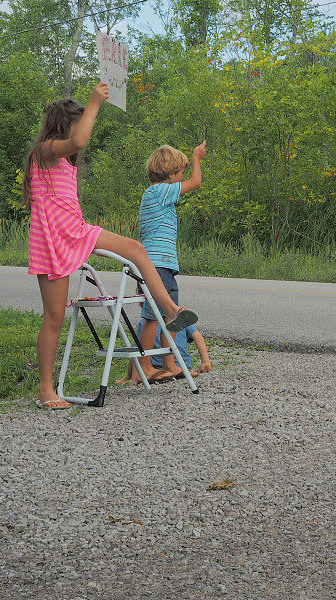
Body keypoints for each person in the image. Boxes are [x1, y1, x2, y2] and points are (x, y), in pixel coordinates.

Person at [25, 82, 199, 409]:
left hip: (76, 230)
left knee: (136, 248)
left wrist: (92, 109)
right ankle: (46, 389)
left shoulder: (66, 161)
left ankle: (172, 310)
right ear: (63, 126)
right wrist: (95, 102)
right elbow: (78, 140)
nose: (81, 138)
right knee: (54, 317)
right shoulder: (45, 151)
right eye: (78, 124)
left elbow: (78, 142)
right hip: (51, 240)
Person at [128, 143, 207, 382]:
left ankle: (170, 365)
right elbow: (195, 183)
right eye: (180, 171)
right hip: (156, 265)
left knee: (170, 316)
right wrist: (196, 158)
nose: (183, 176)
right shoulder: (159, 191)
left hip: (163, 264)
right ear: (170, 174)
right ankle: (144, 368)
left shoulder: (158, 193)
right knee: (153, 317)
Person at [115, 323, 212, 385]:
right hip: (184, 364)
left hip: (157, 367)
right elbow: (197, 336)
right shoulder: (178, 318)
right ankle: (180, 370)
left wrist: (129, 375)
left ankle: (160, 374)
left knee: (141, 349)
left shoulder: (145, 324)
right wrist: (205, 361)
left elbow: (136, 350)